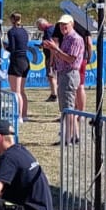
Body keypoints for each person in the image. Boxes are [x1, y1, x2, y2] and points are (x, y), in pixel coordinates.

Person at [43, 13, 84, 145]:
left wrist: (55, 49)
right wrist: (52, 49)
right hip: (64, 74)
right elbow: (62, 56)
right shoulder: (66, 38)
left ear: (72, 24)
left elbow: (70, 59)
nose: (62, 27)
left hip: (69, 74)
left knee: (68, 108)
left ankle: (67, 138)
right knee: (67, 106)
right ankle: (74, 136)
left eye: (65, 24)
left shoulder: (75, 39)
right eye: (61, 24)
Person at [4, 13, 31, 123]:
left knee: (16, 91)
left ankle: (19, 116)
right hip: (25, 60)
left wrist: (5, 46)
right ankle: (24, 114)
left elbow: (13, 48)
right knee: (22, 91)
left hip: (17, 61)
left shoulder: (12, 32)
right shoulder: (24, 31)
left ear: (12, 20)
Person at [36, 18, 57, 101]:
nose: (39, 29)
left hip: (51, 56)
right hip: (53, 56)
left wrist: (51, 60)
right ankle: (54, 93)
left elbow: (52, 45)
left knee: (51, 75)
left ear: (42, 24)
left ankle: (54, 95)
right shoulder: (53, 28)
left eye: (38, 27)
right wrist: (42, 44)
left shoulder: (48, 31)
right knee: (53, 75)